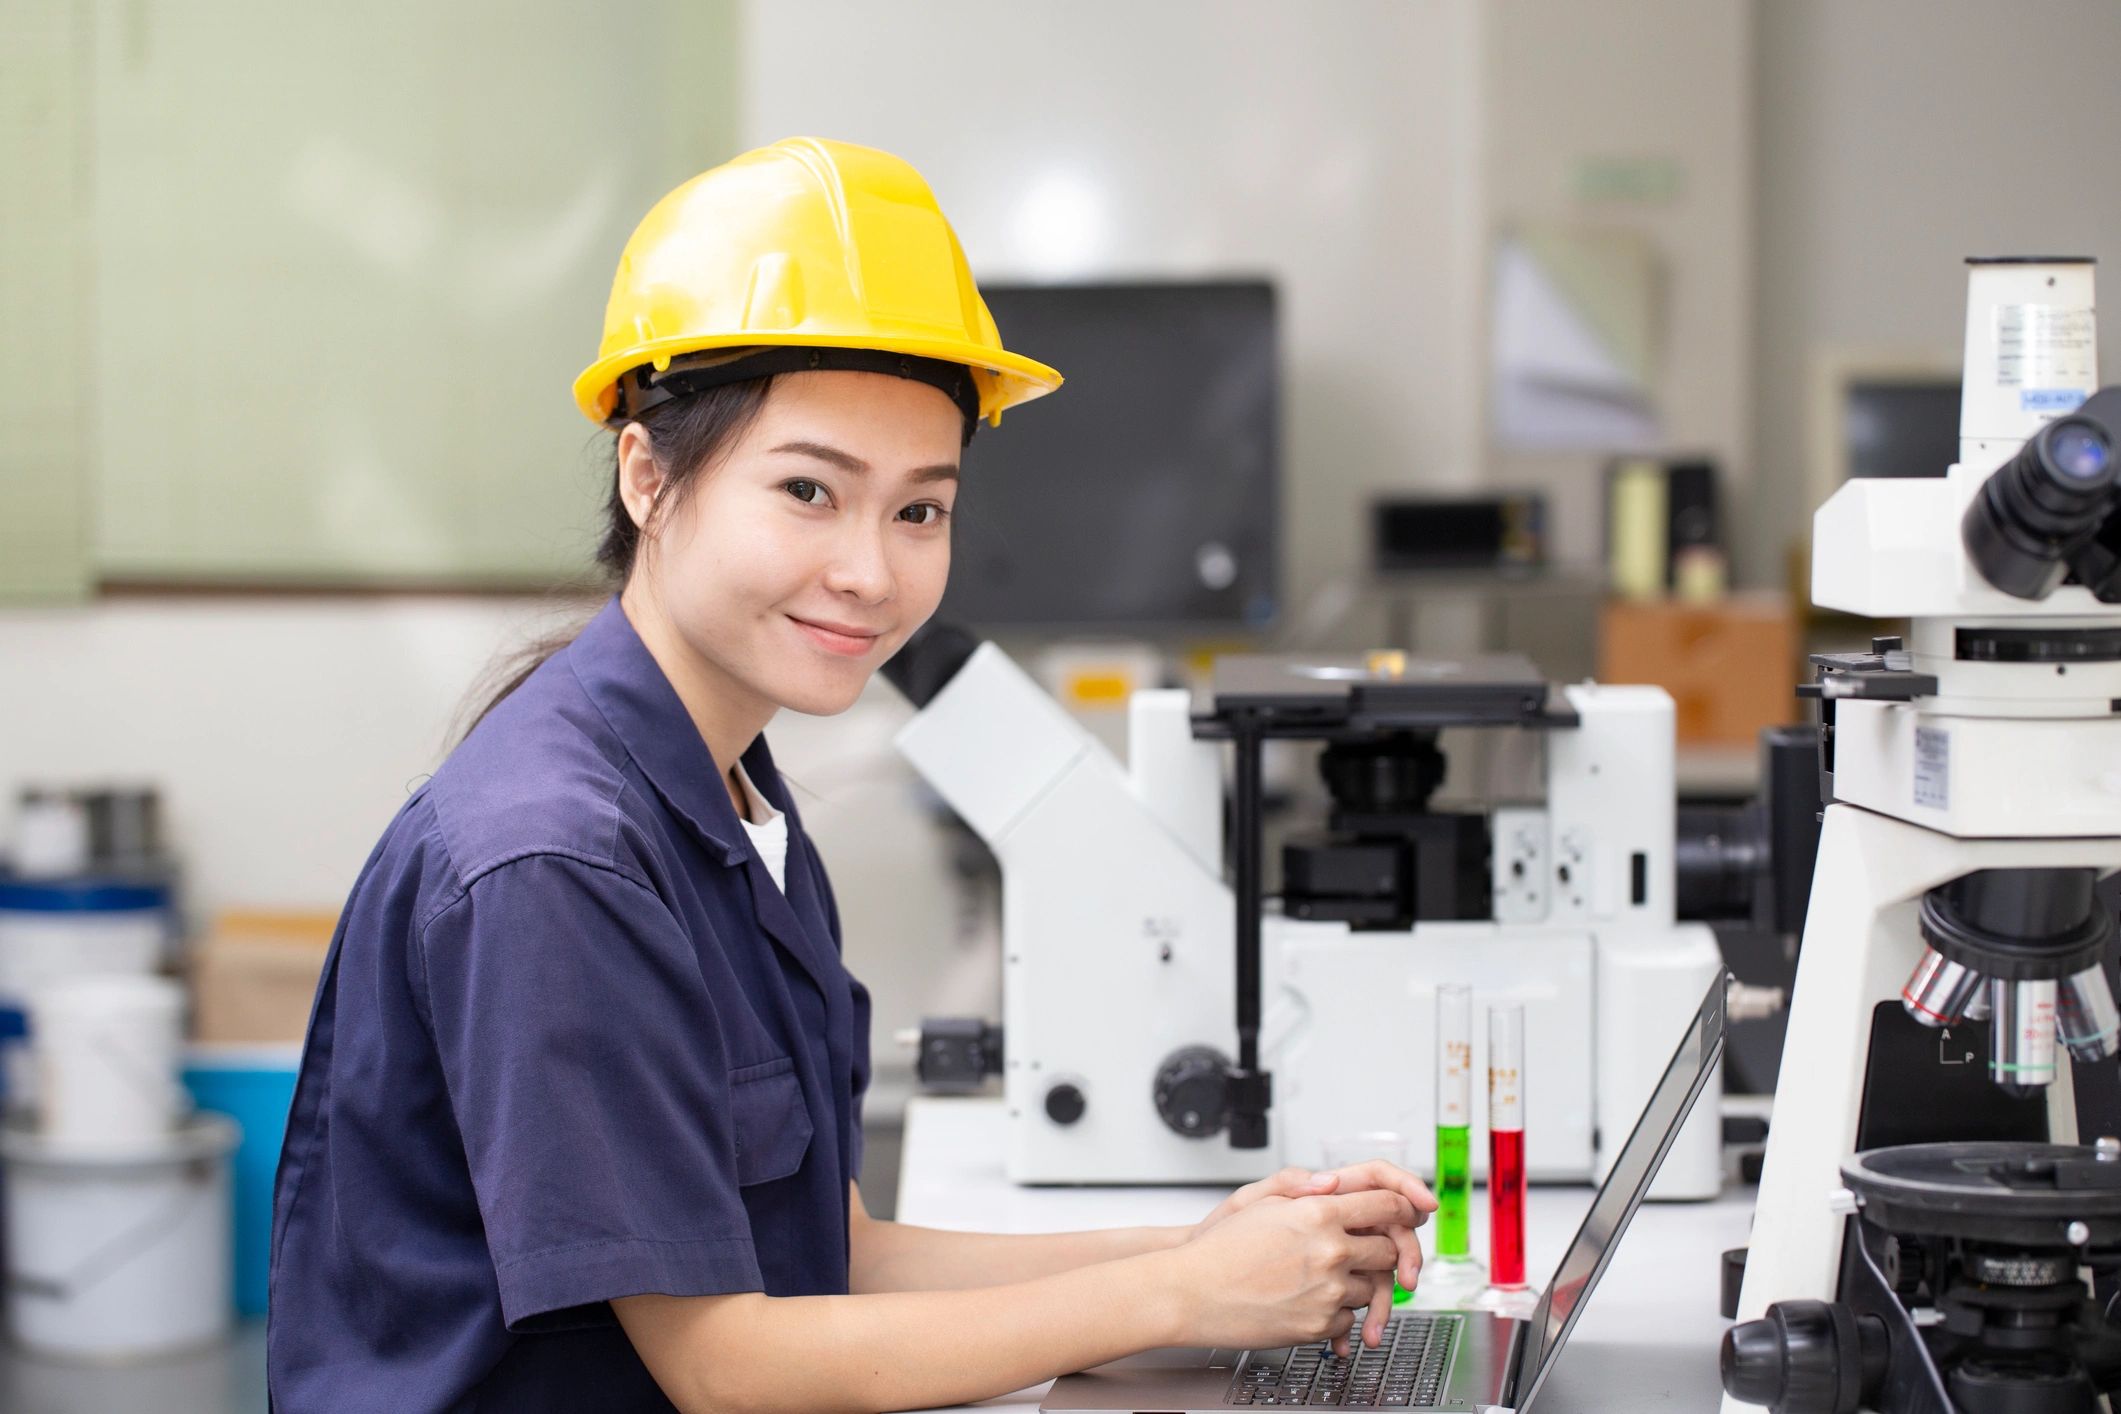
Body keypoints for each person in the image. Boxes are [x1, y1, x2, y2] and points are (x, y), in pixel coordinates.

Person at [268, 136, 1436, 1413]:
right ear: (648, 476)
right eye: (810, 490)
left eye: (919, 510)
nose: (873, 573)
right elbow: (723, 1363)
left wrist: (1216, 1252)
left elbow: (844, 1256)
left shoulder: (737, 797)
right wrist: (1177, 1298)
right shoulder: (560, 858)